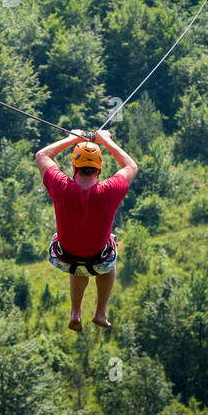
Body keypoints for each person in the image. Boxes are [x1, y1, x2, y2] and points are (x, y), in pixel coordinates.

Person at [35, 128, 137, 331]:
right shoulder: (111, 190)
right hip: (99, 258)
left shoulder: (60, 186)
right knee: (109, 248)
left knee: (79, 260)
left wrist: (70, 138)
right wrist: (106, 141)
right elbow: (131, 166)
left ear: (74, 166)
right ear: (98, 168)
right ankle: (100, 312)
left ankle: (75, 313)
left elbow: (41, 155)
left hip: (63, 256)